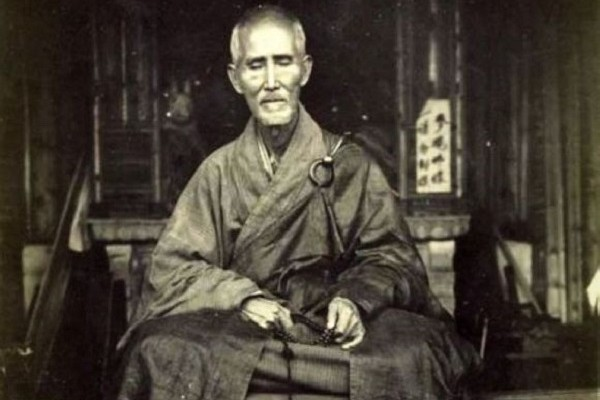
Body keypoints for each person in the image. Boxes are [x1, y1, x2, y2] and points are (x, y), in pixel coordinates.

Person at [113, 5, 479, 400]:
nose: (271, 82)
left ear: (304, 70)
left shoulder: (350, 164)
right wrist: (243, 298)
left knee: (416, 354)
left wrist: (354, 300)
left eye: (283, 62)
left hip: (332, 329)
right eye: (256, 66)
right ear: (236, 79)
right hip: (250, 331)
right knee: (156, 350)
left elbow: (393, 259)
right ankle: (313, 374)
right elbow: (173, 269)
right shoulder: (217, 172)